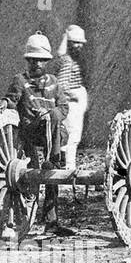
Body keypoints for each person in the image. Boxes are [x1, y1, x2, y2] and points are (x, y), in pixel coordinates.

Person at [0, 34, 68, 229]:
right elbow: (12, 99)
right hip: (32, 131)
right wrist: (5, 102)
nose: (37, 64)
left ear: (46, 61)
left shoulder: (54, 82)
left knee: (53, 119)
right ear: (27, 61)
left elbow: (64, 107)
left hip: (53, 134)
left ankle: (51, 221)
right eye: (33, 60)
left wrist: (52, 114)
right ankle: (50, 164)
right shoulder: (20, 80)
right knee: (49, 126)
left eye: (41, 60)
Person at [56, 25, 89, 172]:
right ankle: (69, 166)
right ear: (69, 43)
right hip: (71, 103)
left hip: (75, 101)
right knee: (72, 136)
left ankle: (66, 164)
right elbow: (62, 85)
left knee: (71, 136)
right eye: (76, 42)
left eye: (80, 43)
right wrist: (73, 95)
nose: (79, 46)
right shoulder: (67, 61)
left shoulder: (71, 60)